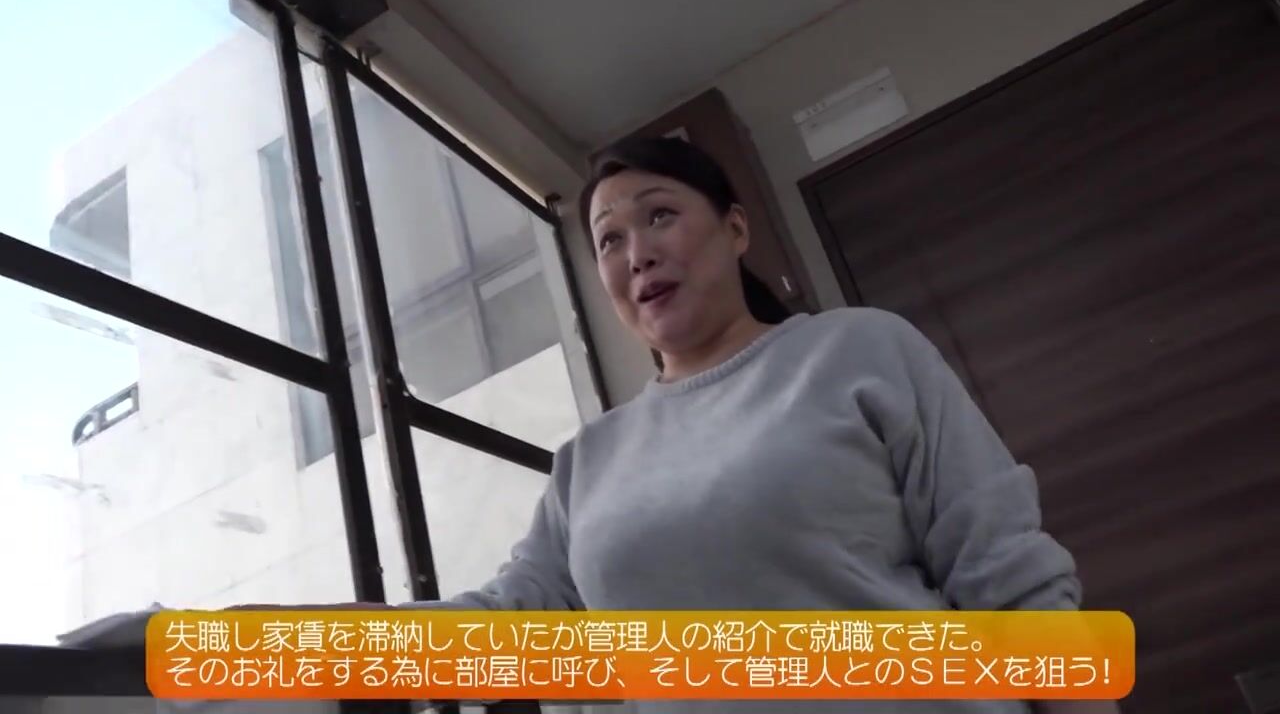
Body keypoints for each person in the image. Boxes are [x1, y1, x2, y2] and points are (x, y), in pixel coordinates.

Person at [249, 137, 1119, 714]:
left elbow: (1007, 572)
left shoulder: (858, 349)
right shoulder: (589, 462)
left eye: (660, 215)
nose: (637, 253)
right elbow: (505, 628)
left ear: (735, 229)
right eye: (609, 240)